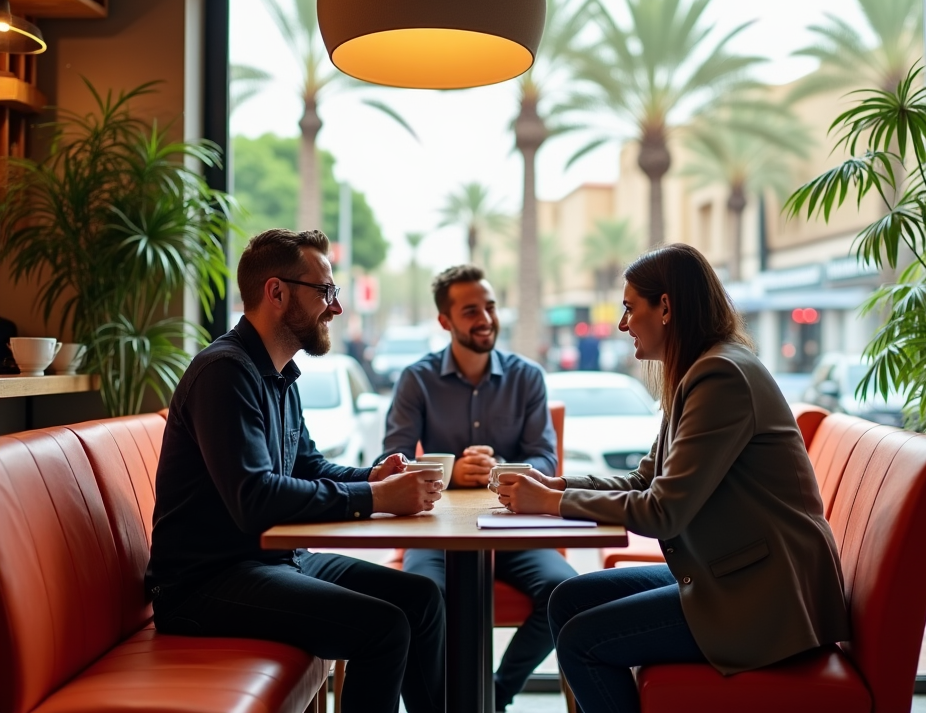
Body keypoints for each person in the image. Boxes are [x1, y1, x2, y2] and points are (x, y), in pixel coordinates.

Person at [497, 244, 850, 713]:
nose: (622, 324)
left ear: (665, 306)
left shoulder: (721, 376)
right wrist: (558, 487)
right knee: (566, 601)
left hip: (764, 599)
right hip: (734, 575)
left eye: (629, 308)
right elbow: (647, 478)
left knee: (582, 640)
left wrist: (550, 504)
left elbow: (663, 511)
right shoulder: (700, 370)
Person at [146, 229, 445, 713]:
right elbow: (256, 500)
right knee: (384, 628)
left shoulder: (279, 373)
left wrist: (374, 478)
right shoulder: (224, 372)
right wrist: (377, 500)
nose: (335, 307)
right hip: (206, 585)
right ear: (277, 292)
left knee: (422, 600)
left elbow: (308, 465)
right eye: (325, 291)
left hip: (275, 560)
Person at [381, 264, 578, 712]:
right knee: (418, 599)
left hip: (511, 527)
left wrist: (500, 470)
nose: (486, 318)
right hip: (434, 531)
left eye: (489, 306)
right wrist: (450, 475)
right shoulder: (417, 378)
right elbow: (391, 460)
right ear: (445, 322)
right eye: (471, 310)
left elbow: (546, 461)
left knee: (565, 592)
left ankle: (494, 695)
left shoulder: (527, 376)